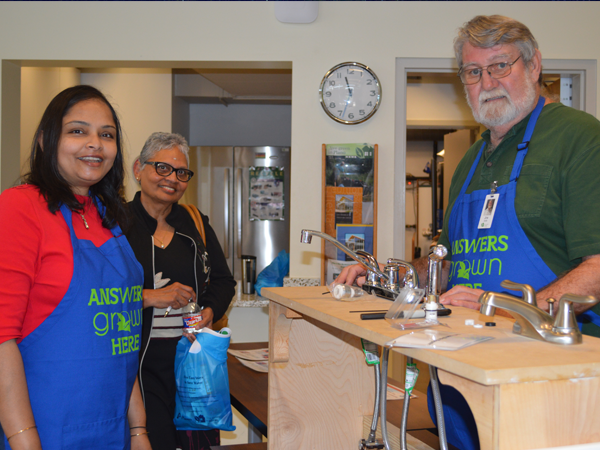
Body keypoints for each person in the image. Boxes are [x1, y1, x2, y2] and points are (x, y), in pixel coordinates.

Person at [338, 14, 600, 449]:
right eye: (474, 72)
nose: (487, 81)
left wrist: (510, 309)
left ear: (533, 67)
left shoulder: (580, 139)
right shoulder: (471, 160)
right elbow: (447, 258)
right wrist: (390, 276)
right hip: (461, 368)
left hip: (547, 372)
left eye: (501, 65)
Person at [0, 85, 150, 450]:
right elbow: (1, 337)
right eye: (78, 131)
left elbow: (120, 338)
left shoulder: (107, 216)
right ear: (44, 141)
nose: (95, 143)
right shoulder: (21, 208)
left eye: (107, 134)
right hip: (46, 432)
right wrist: (24, 441)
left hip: (113, 431)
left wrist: (138, 430)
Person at [125, 132, 236, 450]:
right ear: (138, 169)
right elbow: (93, 296)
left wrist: (210, 312)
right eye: (162, 168)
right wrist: (149, 297)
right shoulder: (116, 224)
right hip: (139, 369)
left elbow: (224, 281)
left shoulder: (194, 222)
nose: (172, 178)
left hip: (192, 366)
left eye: (181, 172)